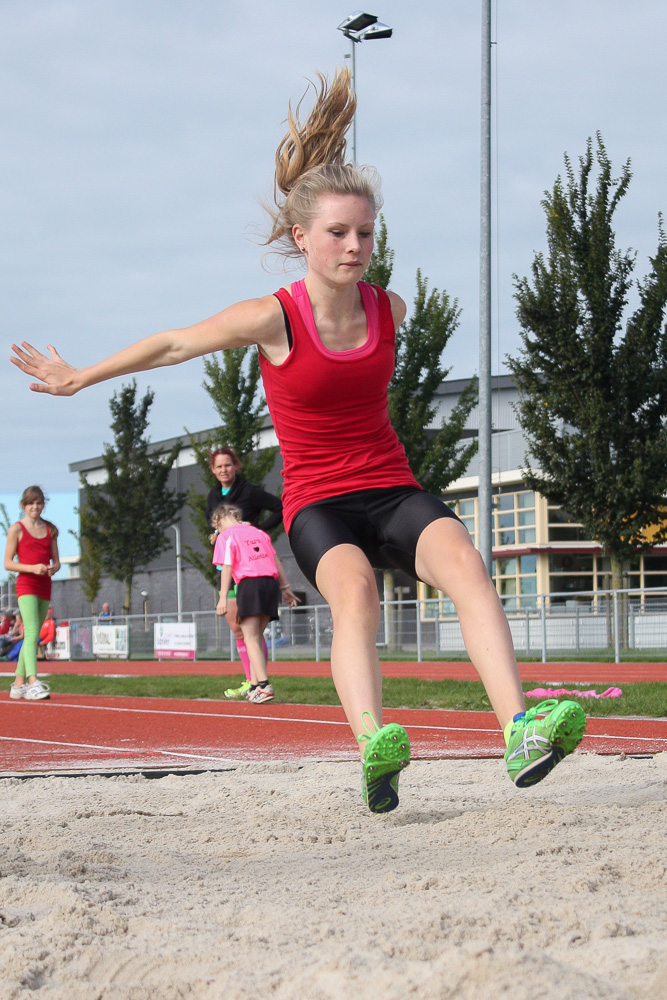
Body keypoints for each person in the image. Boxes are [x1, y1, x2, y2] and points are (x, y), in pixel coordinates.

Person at [9, 69, 585, 808]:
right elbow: (175, 345)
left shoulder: (390, 308)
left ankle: (519, 730)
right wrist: (80, 375)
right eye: (338, 233)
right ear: (301, 238)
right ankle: (376, 743)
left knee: (467, 566)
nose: (354, 247)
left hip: (392, 487)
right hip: (319, 503)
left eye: (365, 233)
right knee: (357, 598)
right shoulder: (272, 317)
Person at [206, 446, 283, 698]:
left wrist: (258, 530)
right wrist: (215, 536)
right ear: (213, 470)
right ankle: (252, 680)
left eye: (227, 465)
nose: (223, 470)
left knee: (250, 629)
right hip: (229, 568)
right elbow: (215, 526)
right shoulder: (213, 496)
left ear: (235, 466)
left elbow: (279, 507)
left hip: (251, 568)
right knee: (237, 626)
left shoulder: (249, 492)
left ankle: (258, 681)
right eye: (218, 467)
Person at [212, 504, 299, 703]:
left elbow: (226, 568)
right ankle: (254, 686)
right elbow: (276, 562)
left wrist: (223, 598)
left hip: (249, 584)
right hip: (270, 584)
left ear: (218, 522)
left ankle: (264, 685)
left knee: (249, 637)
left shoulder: (226, 537)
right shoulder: (258, 532)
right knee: (256, 637)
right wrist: (285, 588)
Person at [3, 486, 60, 700]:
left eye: (38, 503)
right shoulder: (16, 529)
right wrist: (32, 568)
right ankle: (33, 681)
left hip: (44, 585)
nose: (35, 507)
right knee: (32, 630)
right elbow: (8, 563)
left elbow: (56, 560)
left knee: (32, 635)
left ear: (43, 505)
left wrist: (54, 567)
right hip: (26, 584)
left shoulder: (51, 530)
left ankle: (18, 684)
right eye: (30, 503)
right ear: (23, 505)